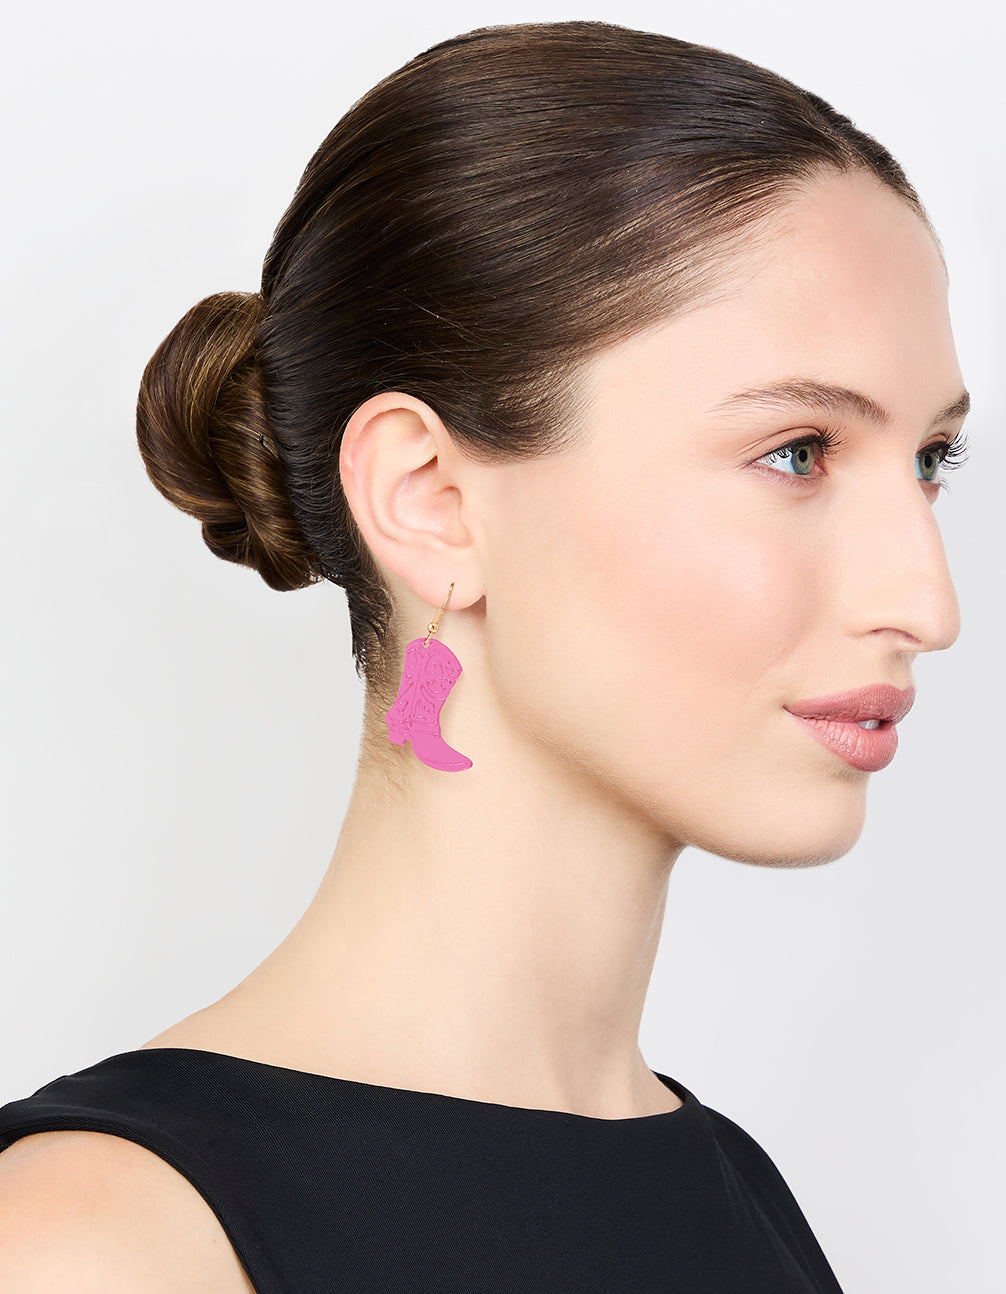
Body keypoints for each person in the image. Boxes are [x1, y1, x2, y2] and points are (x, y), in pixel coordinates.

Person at [0, 19, 968, 1292]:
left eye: (931, 459)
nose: (928, 603)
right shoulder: (99, 1244)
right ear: (431, 501)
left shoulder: (735, 1189)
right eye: (797, 452)